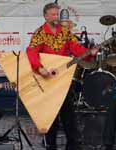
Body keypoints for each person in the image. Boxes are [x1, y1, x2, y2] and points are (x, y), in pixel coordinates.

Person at [26, 2, 98, 150]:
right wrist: (40, 69)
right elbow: (31, 52)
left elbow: (75, 47)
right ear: (45, 16)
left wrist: (88, 54)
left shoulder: (64, 31)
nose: (55, 17)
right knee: (51, 113)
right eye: (52, 14)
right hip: (47, 79)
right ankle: (50, 144)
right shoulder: (40, 33)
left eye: (56, 14)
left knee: (68, 111)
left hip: (63, 77)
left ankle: (73, 144)